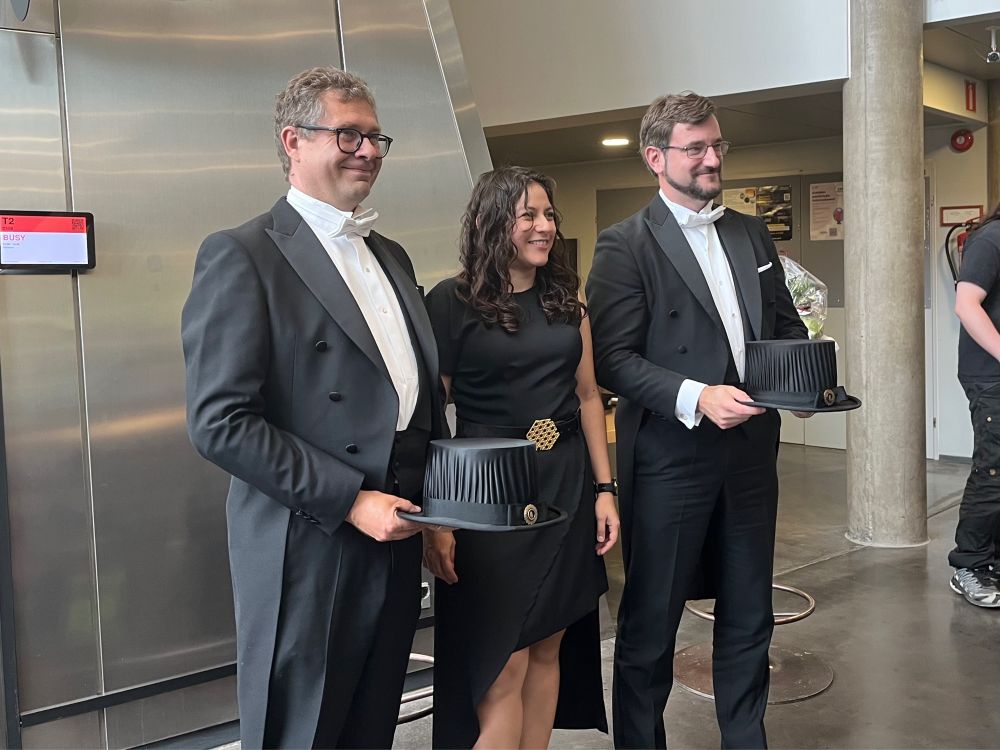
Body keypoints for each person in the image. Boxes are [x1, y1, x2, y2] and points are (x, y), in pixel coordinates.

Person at [181, 67, 445, 749]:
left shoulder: (390, 254)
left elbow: (411, 406)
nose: (369, 151)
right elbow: (221, 422)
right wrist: (353, 499)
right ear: (293, 142)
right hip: (308, 546)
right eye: (348, 135)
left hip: (393, 539)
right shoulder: (243, 255)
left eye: (376, 136)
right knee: (301, 734)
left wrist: (436, 513)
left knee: (369, 729)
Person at [585, 92, 807, 749]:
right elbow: (612, 362)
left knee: (748, 613)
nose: (712, 158)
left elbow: (783, 327)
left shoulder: (750, 231)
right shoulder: (623, 244)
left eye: (717, 146)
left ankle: (746, 740)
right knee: (652, 622)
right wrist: (695, 394)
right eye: (696, 148)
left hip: (749, 456)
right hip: (669, 458)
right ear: (657, 158)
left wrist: (801, 384)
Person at [422, 166, 620, 749]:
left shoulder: (567, 300)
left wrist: (605, 491)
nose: (545, 226)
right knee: (501, 663)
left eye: (549, 214)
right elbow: (432, 416)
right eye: (528, 215)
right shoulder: (450, 301)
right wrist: (436, 521)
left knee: (547, 646)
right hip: (489, 496)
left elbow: (587, 397)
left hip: (563, 484)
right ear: (490, 222)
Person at [950, 205, 1000, 608]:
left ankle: (993, 560)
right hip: (991, 377)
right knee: (993, 470)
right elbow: (966, 304)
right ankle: (971, 564)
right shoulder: (991, 238)